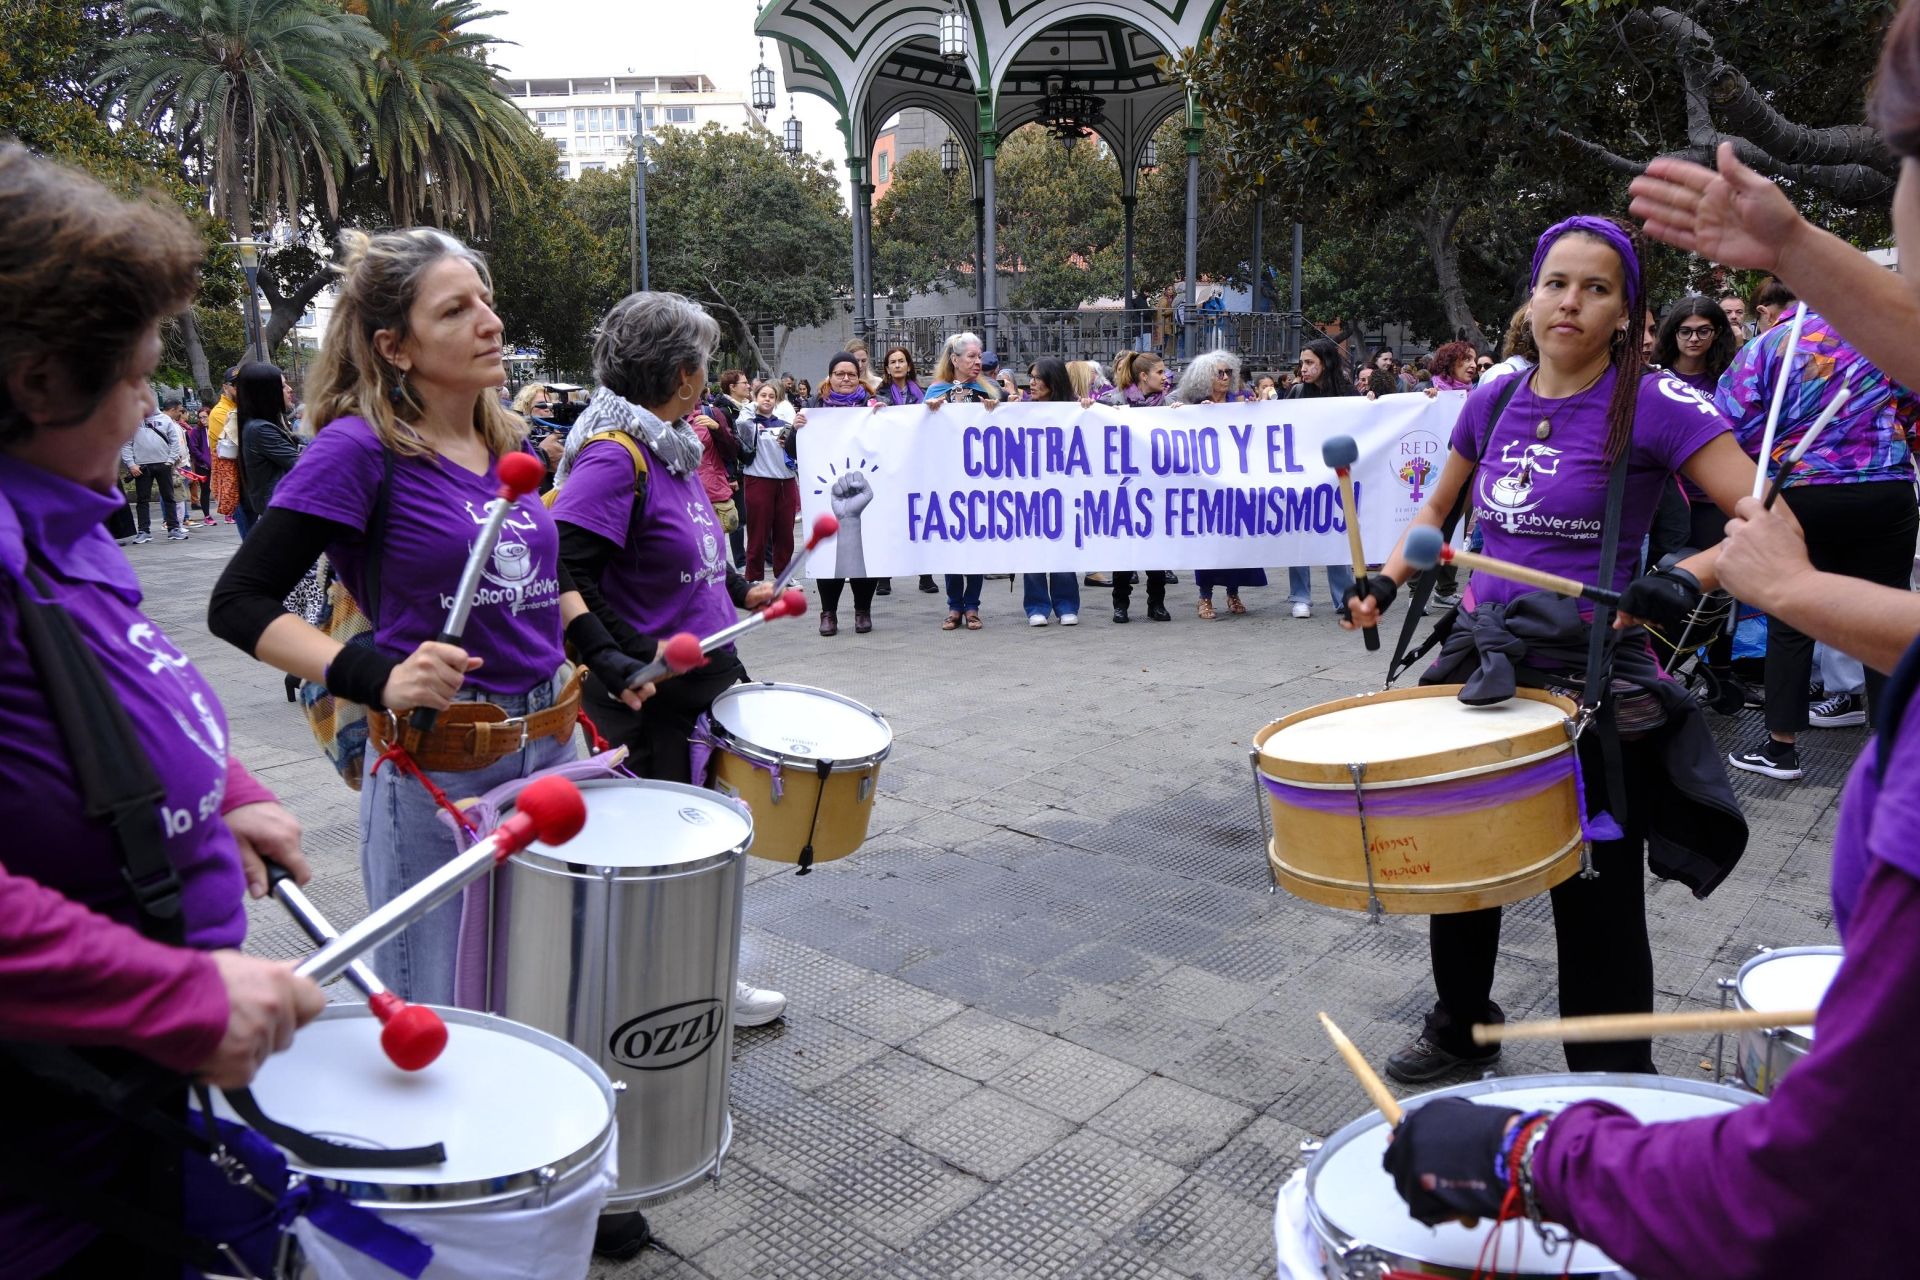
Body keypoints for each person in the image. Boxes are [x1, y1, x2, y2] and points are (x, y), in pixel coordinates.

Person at [0, 140, 326, 1280]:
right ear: (39, 380)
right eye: (139, 376)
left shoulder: (65, 518)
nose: (152, 404)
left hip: (123, 1117)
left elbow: (119, 685)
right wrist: (173, 988)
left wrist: (216, 789)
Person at [1343, 214, 1756, 1085]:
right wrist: (1382, 582)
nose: (1571, 302)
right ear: (1531, 297)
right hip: (1483, 661)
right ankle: (1463, 1028)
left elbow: (1766, 522)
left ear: (1626, 313)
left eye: (1596, 288)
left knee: (1595, 899)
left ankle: (1611, 1076)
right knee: (1464, 869)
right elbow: (1436, 519)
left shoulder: (1659, 404)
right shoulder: (1494, 395)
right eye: (1556, 283)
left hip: (1592, 682)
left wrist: (1687, 576)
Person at [208, 227, 654, 1009]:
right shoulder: (357, 450)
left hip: (550, 748)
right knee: (435, 1002)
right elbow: (237, 602)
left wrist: (603, 654)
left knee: (541, 987)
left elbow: (543, 581)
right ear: (395, 345)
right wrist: (377, 675)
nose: (490, 322)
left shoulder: (501, 439)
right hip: (439, 761)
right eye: (456, 310)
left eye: (486, 301)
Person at [548, 291, 787, 1030]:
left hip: (708, 682)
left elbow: (691, 553)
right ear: (685, 374)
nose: (710, 378)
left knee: (711, 846)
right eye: (706, 366)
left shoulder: (672, 446)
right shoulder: (614, 458)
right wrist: (625, 656)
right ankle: (652, 997)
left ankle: (707, 974)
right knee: (664, 857)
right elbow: (562, 567)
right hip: (652, 703)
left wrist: (742, 587)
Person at [1714, 306, 1918, 779]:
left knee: (1790, 615)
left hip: (1803, 489)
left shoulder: (1768, 345)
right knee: (1884, 610)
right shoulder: (1881, 331)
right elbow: (1913, 402)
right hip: (1882, 486)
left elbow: (1734, 418)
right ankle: (1896, 752)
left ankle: (1780, 748)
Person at [1645, 296, 1753, 710]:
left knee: (1720, 590)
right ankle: (1656, 672)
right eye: (1684, 331)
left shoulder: (1730, 380)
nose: (1693, 339)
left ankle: (1720, 673)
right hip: (1663, 501)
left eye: (1703, 331)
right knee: (1663, 588)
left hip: (1712, 502)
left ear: (1716, 333)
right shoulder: (1655, 379)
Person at [1175, 351, 1269, 618]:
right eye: (1220, 373)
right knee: (1208, 543)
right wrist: (1182, 414)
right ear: (1206, 376)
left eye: (1229, 372)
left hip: (1236, 484)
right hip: (1204, 486)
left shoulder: (1240, 400)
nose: (1226, 377)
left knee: (1236, 541)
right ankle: (1204, 597)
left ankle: (1233, 592)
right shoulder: (1190, 403)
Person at [923, 331, 1000, 630]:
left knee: (975, 545)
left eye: (979, 356)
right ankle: (954, 606)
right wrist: (928, 412)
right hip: (947, 480)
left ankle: (973, 606)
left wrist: (995, 409)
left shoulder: (988, 390)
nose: (977, 361)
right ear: (954, 359)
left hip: (979, 480)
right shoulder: (936, 391)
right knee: (952, 545)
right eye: (971, 356)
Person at [1281, 338, 1357, 618]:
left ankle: (1344, 597)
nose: (1304, 368)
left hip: (1335, 476)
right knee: (1297, 533)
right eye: (1302, 362)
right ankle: (1300, 597)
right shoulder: (1297, 392)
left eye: (1310, 362)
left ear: (1325, 363)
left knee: (1336, 532)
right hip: (1301, 475)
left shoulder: (1348, 393)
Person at [1102, 351, 1174, 621]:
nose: (1165, 377)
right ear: (1144, 376)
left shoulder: (1166, 404)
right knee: (1125, 546)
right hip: (1123, 485)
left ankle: (1156, 603)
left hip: (1156, 485)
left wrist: (1182, 416)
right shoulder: (1113, 402)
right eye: (1159, 372)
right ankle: (1120, 605)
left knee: (1156, 547)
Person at [811, 352, 879, 635]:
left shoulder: (873, 403)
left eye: (851, 374)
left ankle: (863, 610)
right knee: (827, 553)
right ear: (830, 377)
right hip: (825, 489)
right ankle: (828, 613)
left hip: (866, 486)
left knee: (869, 550)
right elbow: (792, 450)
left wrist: (885, 418)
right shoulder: (814, 406)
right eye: (840, 373)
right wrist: (798, 430)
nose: (846, 379)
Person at [1018, 359, 1084, 626]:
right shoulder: (1019, 411)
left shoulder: (1074, 409)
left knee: (1062, 549)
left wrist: (1089, 409)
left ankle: (1066, 604)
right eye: (1030, 377)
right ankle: (1036, 606)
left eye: (1037, 378)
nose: (1031, 383)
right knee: (1033, 550)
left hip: (1063, 491)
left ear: (1053, 381)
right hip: (1030, 493)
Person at [735, 378, 803, 582]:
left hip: (786, 482)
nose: (767, 399)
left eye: (771, 396)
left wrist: (793, 435)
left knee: (785, 532)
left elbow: (796, 453)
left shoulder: (785, 425)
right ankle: (753, 576)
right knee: (758, 531)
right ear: (755, 398)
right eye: (763, 395)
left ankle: (784, 575)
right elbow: (741, 424)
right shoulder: (749, 424)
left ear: (777, 400)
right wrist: (752, 405)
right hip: (758, 480)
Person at [233, 362, 305, 525]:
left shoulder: (265, 424)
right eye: (283, 385)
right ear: (266, 393)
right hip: (283, 512)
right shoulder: (260, 429)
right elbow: (302, 465)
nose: (289, 389)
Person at [120, 397, 187, 544]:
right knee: (142, 499)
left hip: (163, 463)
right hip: (142, 466)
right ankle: (144, 531)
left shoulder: (165, 419)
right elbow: (126, 444)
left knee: (169, 496)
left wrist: (170, 460)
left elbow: (174, 441)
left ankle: (173, 528)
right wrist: (131, 464)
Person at [207, 367, 240, 526]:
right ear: (225, 387)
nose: (239, 388)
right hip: (234, 475)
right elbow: (239, 443)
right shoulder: (220, 412)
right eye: (235, 384)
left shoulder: (237, 407)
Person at [180, 403, 212, 526]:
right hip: (202, 465)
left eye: (205, 417)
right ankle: (207, 515)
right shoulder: (196, 431)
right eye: (200, 417)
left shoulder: (215, 428)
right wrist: (206, 460)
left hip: (217, 462)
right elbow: (194, 449)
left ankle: (229, 514)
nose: (203, 420)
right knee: (205, 490)